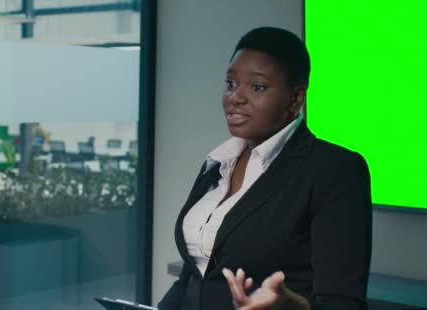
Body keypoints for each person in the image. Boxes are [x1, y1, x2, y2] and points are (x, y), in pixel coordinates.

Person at [158, 27, 372, 310]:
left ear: (296, 98)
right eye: (231, 83)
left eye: (257, 87)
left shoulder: (335, 170)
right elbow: (193, 277)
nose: (236, 97)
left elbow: (342, 305)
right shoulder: (217, 164)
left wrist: (291, 306)